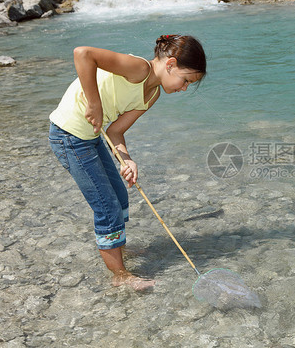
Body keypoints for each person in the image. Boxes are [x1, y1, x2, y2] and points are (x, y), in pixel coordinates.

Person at [48, 34, 206, 291]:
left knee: (120, 196)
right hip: (69, 135)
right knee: (106, 207)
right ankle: (119, 275)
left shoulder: (152, 94)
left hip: (92, 137)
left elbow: (115, 133)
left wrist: (127, 160)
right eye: (185, 80)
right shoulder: (139, 69)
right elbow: (83, 54)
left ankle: (117, 247)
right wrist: (95, 103)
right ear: (170, 64)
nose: (184, 88)